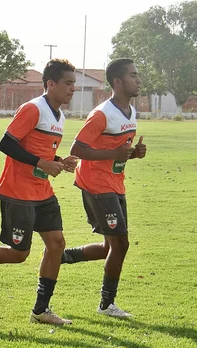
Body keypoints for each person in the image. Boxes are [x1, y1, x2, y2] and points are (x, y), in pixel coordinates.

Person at [0, 59, 79, 325]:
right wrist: (42, 163)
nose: (73, 89)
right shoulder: (33, 109)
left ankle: (41, 310)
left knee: (57, 244)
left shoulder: (58, 114)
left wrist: (60, 161)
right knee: (18, 254)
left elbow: (41, 152)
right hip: (18, 192)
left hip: (42, 191)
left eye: (74, 83)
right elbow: (7, 143)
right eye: (68, 83)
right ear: (50, 84)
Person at [60, 58, 146, 318]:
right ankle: (107, 305)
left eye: (137, 75)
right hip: (96, 184)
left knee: (112, 247)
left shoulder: (131, 112)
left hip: (115, 183)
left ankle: (61, 256)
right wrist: (114, 152)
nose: (138, 80)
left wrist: (133, 154)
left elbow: (118, 152)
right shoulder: (102, 114)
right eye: (133, 75)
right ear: (118, 82)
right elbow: (77, 149)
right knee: (120, 244)